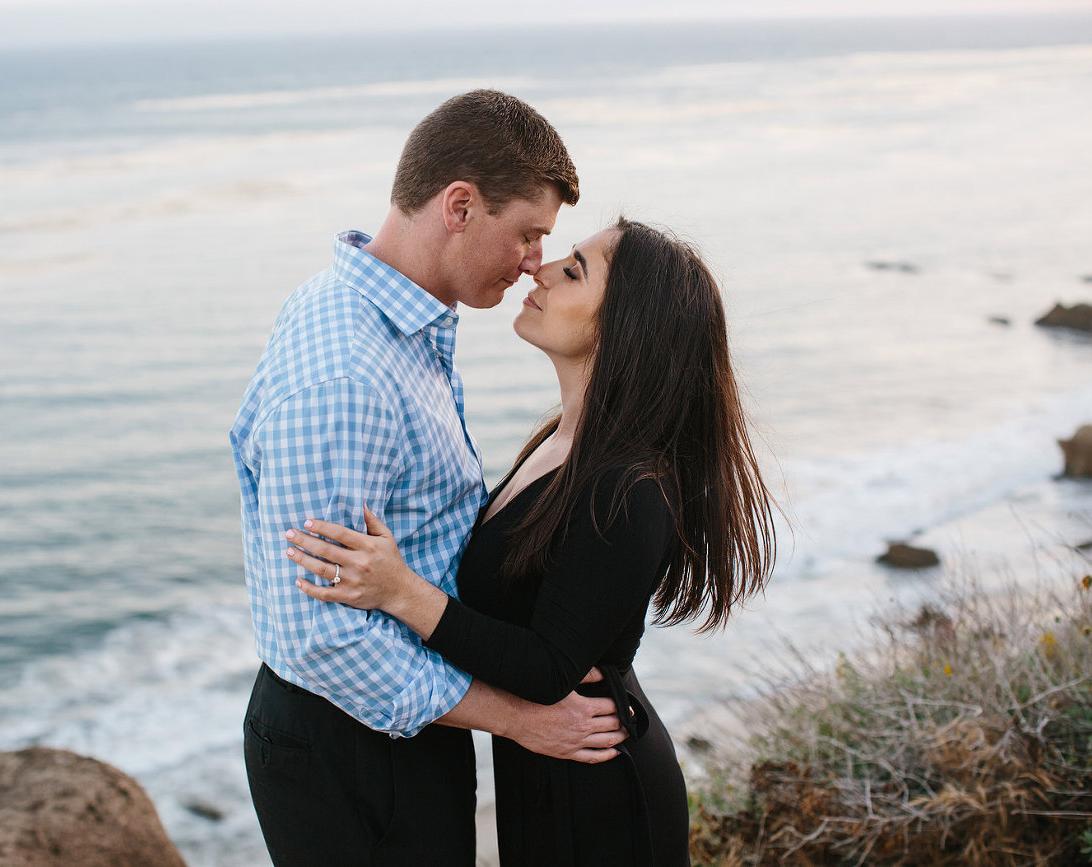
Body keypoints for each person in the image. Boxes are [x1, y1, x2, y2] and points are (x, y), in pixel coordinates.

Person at [285, 217, 778, 865]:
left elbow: (549, 667)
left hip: (596, 786)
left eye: (573, 269)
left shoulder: (626, 484)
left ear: (624, 323)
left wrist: (403, 593)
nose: (536, 270)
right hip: (546, 770)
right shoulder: (560, 444)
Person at [230, 90, 629, 866]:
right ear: (459, 205)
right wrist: (514, 715)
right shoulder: (345, 375)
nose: (533, 263)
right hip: (348, 742)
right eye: (526, 235)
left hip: (401, 722)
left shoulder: (397, 325)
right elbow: (323, 638)